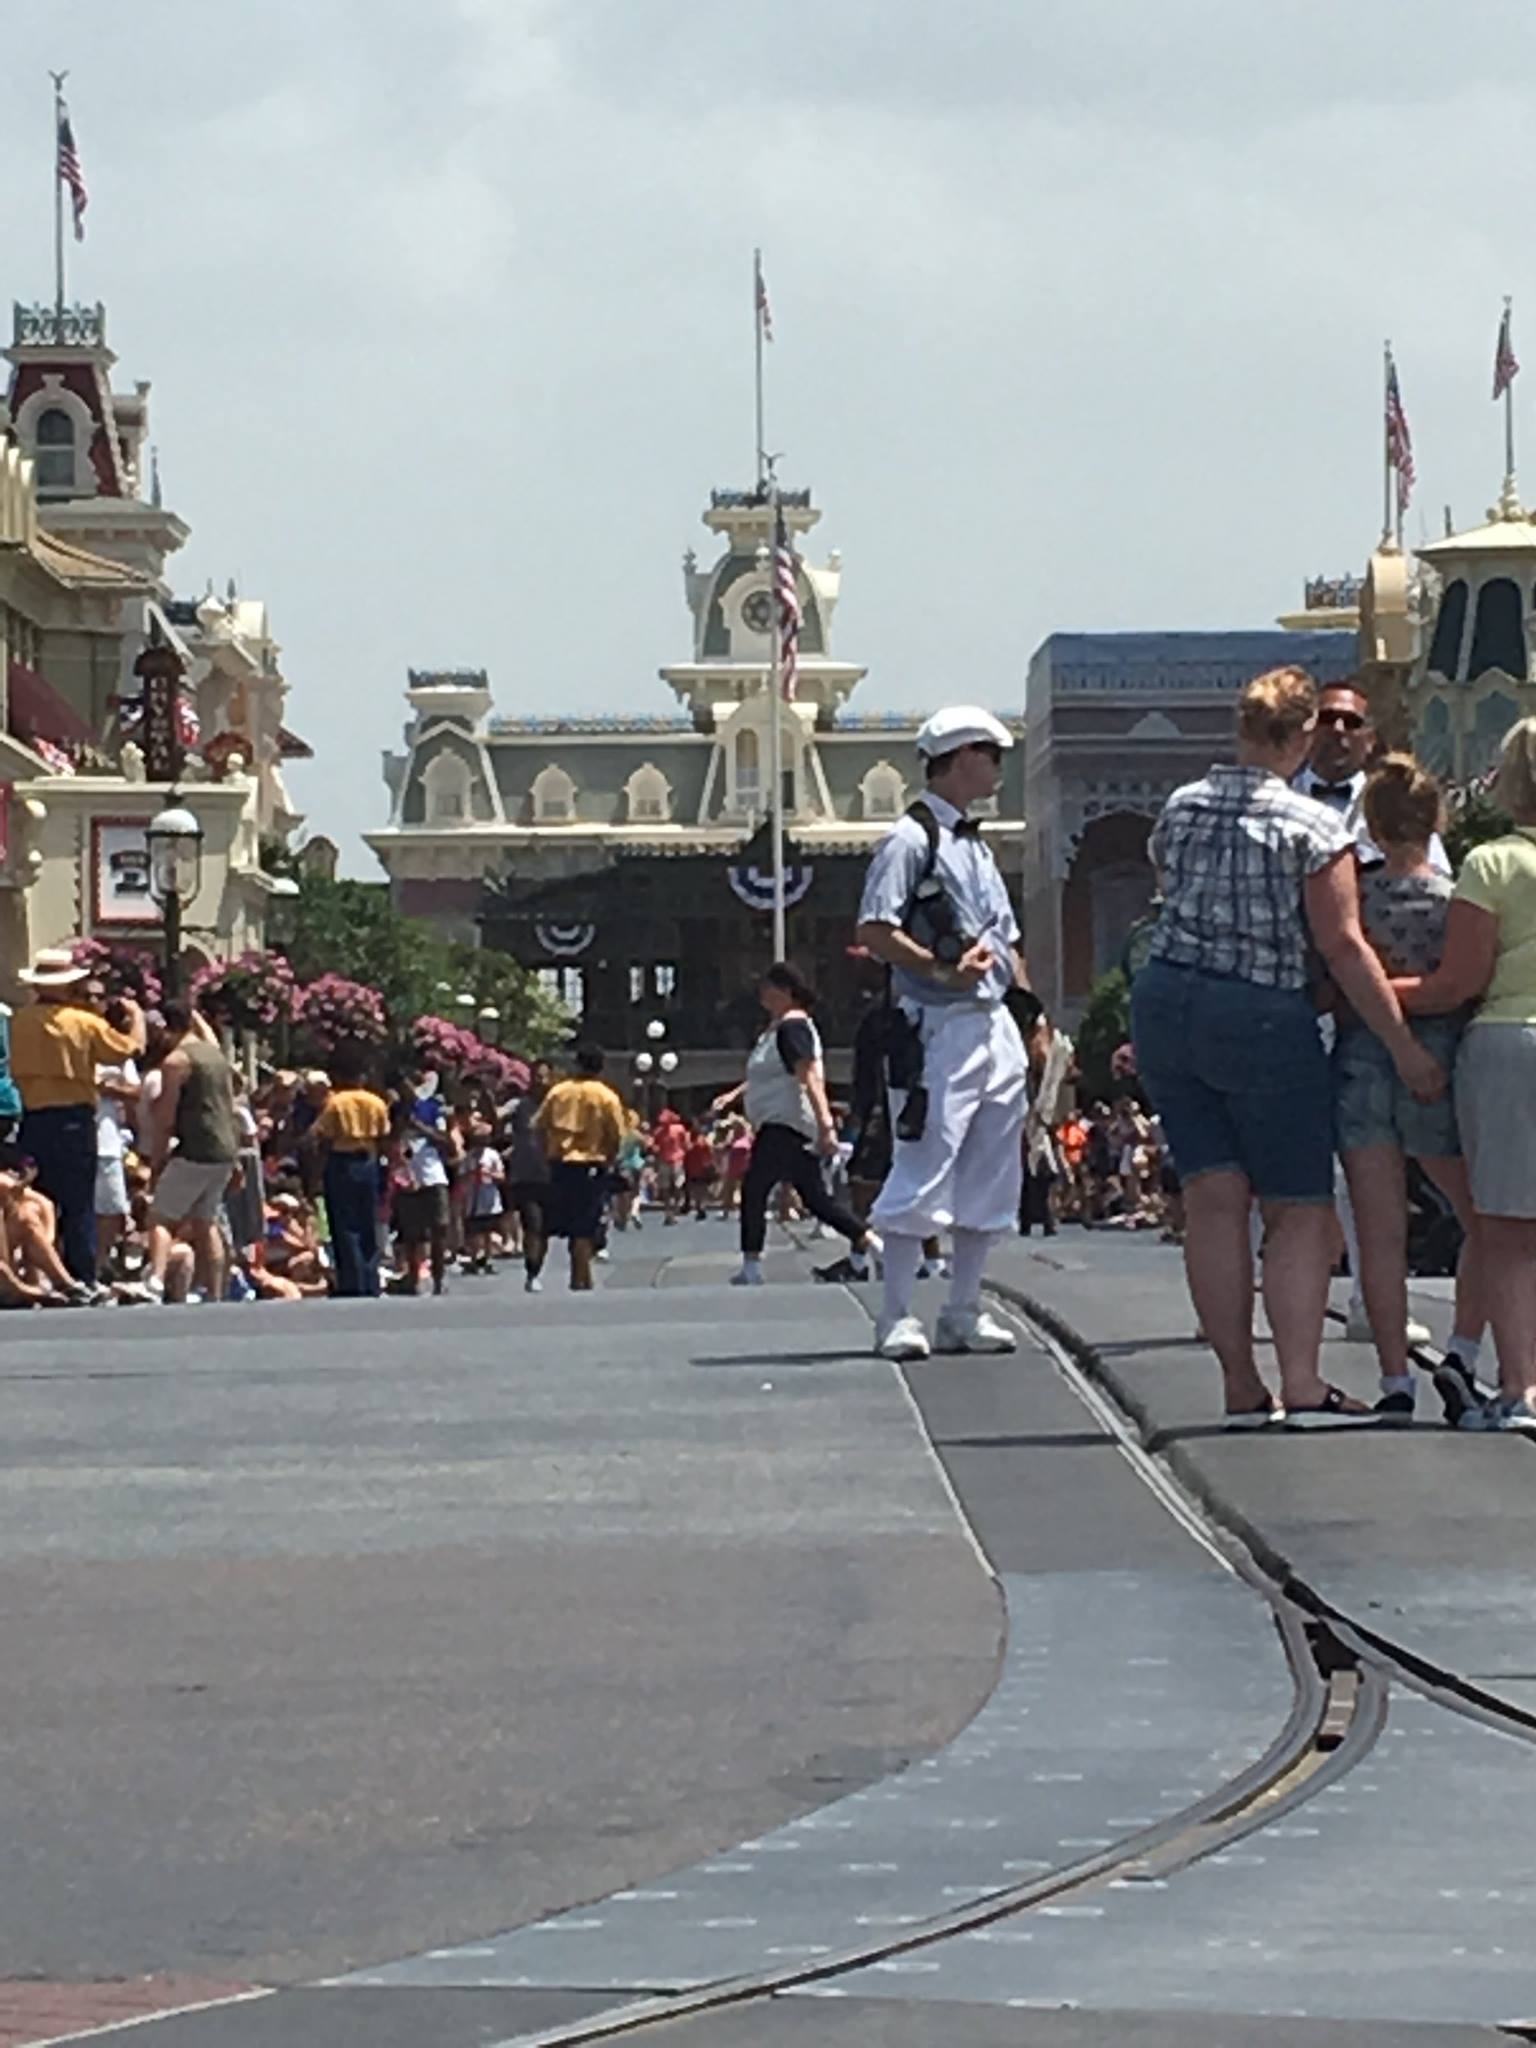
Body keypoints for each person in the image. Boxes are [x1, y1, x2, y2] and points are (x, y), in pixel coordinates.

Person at [1131, 665, 1442, 1427]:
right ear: (1303, 735)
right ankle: (1300, 1379)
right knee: (1298, 1206)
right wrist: (1404, 1047)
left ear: (1241, 729)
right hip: (1262, 1009)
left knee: (1212, 1193)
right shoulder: (1312, 828)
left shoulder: (1181, 807)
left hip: (1168, 1000)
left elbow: (1167, 884)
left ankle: (1241, 1381)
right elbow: (1341, 944)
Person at [855, 705, 1031, 1361]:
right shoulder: (910, 839)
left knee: (990, 1167)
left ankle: (963, 1306)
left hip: (992, 1023)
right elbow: (874, 928)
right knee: (925, 1162)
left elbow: (1008, 939)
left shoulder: (974, 844)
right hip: (936, 1026)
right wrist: (938, 969)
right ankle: (897, 1312)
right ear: (963, 757)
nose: (998, 768)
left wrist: (1028, 1015)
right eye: (992, 754)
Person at [1392, 716, 1536, 1430]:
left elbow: (1458, 982)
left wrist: (1375, 991)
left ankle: (1519, 1387)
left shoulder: (1493, 865)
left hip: (1511, 1043)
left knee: (1507, 1227)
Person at [1334, 756, 1487, 1424]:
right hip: (1439, 1063)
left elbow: (1337, 977)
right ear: (1437, 822)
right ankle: (1462, 1352)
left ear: (1369, 823)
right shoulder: (1458, 902)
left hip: (1363, 1061)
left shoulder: (1355, 898)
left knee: (1379, 1233)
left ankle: (1396, 1380)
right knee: (1480, 1220)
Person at [1293, 676, 1444, 1348]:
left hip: (1377, 1013)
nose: (1339, 732)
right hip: (1304, 1000)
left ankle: (1367, 1299)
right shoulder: (1283, 806)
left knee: (1373, 1166)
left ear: (1370, 736)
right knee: (1300, 1155)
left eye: (1351, 723)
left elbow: (1437, 893)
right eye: (1327, 720)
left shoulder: (1398, 806)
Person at [711, 964, 880, 1288]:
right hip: (778, 1121)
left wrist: (826, 1125)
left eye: (768, 987)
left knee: (755, 1188)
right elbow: (768, 1075)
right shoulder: (775, 1031)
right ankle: (869, 1241)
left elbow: (808, 1075)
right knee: (816, 1199)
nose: (762, 994)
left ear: (787, 991)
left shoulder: (794, 1027)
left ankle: (751, 1265)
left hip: (785, 1122)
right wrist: (734, 1094)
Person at [11, 948, 145, 1288]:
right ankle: (81, 1275)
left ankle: (38, 1271)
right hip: (73, 1119)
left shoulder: (19, 1021)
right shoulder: (83, 1022)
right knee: (78, 1203)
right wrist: (137, 1019)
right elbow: (129, 1049)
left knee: (37, 1200)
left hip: (34, 1118)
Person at [146, 1001, 240, 1306]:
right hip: (224, 1150)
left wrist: (157, 1160)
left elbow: (165, 1118)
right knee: (205, 1220)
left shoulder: (177, 1062)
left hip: (196, 1147)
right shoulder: (215, 1055)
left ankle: (155, 1281)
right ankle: (215, 1291)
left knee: (160, 1217)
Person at [534, 1046, 626, 1290]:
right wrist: (610, 1158)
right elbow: (616, 1135)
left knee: (562, 1219)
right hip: (592, 1164)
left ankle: (576, 1274)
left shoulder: (558, 1092)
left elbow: (539, 1126)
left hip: (560, 1164)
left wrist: (547, 1152)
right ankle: (580, 1275)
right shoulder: (606, 1096)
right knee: (586, 1222)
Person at [307, 1041, 390, 1297]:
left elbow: (321, 1138)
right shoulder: (376, 1103)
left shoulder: (335, 1104)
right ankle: (370, 1278)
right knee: (368, 1221)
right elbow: (384, 1137)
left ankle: (351, 1280)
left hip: (341, 1162)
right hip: (368, 1162)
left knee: (344, 1223)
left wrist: (316, 1175)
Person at [391, 1077, 460, 1295]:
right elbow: (387, 1139)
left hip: (432, 1175)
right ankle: (414, 1277)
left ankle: (439, 1277)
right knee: (412, 1232)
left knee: (439, 1228)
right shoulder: (394, 1111)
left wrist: (419, 1126)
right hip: (407, 1176)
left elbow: (446, 1143)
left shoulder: (432, 1108)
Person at [503, 1060, 554, 1293]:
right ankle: (531, 1270)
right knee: (532, 1224)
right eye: (536, 1076)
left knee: (544, 1229)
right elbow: (497, 1115)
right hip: (525, 1175)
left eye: (544, 1076)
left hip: (552, 1173)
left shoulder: (558, 1104)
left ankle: (537, 1266)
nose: (540, 1081)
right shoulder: (520, 1105)